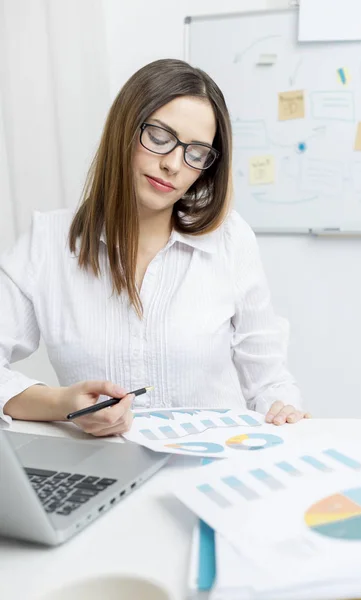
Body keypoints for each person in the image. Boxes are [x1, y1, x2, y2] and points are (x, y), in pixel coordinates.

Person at [0, 59, 310, 437]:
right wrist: (64, 405)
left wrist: (284, 409)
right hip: (105, 469)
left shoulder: (230, 237)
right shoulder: (47, 242)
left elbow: (269, 381)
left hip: (213, 464)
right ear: (123, 130)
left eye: (196, 153)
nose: (173, 165)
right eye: (161, 138)